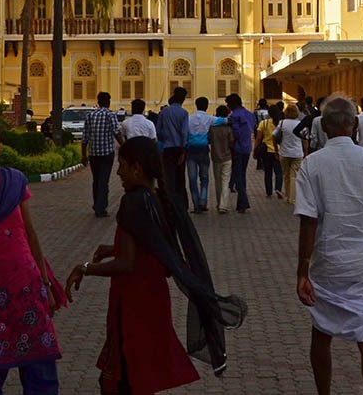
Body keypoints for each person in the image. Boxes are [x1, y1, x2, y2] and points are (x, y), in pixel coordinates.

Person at [64, 137, 246, 394]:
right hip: (154, 300)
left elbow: (127, 264)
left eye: (123, 165)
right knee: (142, 375)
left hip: (133, 302)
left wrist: (84, 267)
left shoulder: (132, 201)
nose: (119, 172)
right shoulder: (158, 198)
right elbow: (155, 247)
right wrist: (112, 248)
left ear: (137, 168)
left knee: (123, 378)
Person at [295, 95, 363, 395]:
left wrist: (302, 270)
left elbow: (308, 221)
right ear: (354, 125)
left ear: (324, 126)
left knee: (321, 331)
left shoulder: (312, 165)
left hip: (327, 262)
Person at [0, 113, 64, 395]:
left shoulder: (13, 182)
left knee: (41, 375)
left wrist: (45, 283)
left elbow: (29, 234)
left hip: (26, 291)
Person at [83, 92, 122, 218]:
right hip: (106, 154)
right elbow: (116, 132)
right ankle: (101, 208)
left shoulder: (90, 115)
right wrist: (125, 146)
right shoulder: (110, 115)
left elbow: (85, 137)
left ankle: (97, 204)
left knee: (96, 180)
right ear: (108, 102)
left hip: (93, 153)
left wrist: (83, 155)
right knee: (104, 181)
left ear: (98, 101)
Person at [156, 87, 191, 208]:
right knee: (180, 177)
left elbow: (158, 131)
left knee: (168, 177)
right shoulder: (184, 113)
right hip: (179, 149)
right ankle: (182, 204)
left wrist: (165, 139)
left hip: (167, 148)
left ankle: (170, 204)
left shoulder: (164, 112)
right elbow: (184, 133)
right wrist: (183, 151)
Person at [226, 94, 257, 213]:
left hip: (238, 148)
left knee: (238, 175)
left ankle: (243, 201)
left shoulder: (234, 115)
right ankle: (241, 202)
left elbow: (236, 132)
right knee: (242, 174)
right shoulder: (249, 114)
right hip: (247, 147)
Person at [185, 96, 214, 214]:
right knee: (204, 177)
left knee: (192, 178)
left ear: (196, 105)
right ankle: (203, 200)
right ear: (206, 106)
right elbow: (223, 120)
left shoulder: (189, 119)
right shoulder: (209, 119)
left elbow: (184, 134)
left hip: (191, 150)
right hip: (203, 150)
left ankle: (196, 204)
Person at [276, 104, 306, 204]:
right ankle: (293, 198)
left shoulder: (282, 123)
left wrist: (276, 149)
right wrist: (305, 153)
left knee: (286, 175)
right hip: (297, 153)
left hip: (284, 152)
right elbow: (305, 140)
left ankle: (288, 195)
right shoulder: (300, 123)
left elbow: (274, 135)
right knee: (295, 176)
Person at [210, 105, 235, 213]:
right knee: (226, 181)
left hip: (216, 157)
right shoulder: (229, 128)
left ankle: (218, 202)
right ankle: (223, 205)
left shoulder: (212, 128)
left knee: (218, 181)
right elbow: (231, 142)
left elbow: (208, 140)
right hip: (227, 157)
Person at [256, 106, 284, 198]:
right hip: (278, 150)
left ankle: (268, 192)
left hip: (266, 151)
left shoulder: (263, 123)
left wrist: (255, 149)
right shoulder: (281, 124)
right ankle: (278, 189)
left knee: (268, 172)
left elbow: (259, 138)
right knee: (278, 172)